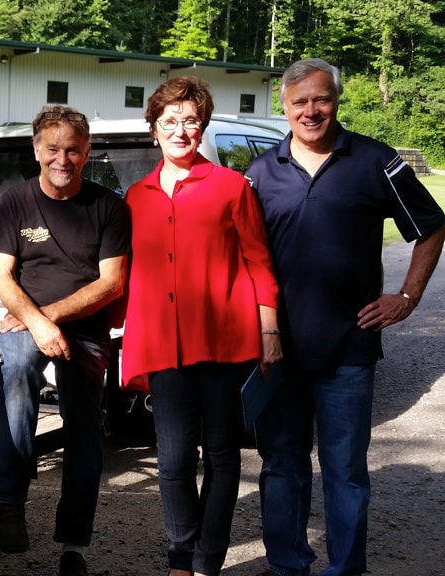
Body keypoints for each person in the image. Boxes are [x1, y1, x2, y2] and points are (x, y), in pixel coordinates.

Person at [245, 58, 445, 576]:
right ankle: (289, 565)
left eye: (321, 99)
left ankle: (345, 569)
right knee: (282, 466)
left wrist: (407, 296)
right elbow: (240, 255)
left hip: (350, 346)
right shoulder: (260, 172)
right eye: (299, 102)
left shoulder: (376, 160)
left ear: (336, 100)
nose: (311, 111)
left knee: (345, 471)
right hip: (278, 348)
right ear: (284, 107)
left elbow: (431, 227)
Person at [120, 76, 283, 576]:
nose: (180, 130)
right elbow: (122, 275)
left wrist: (270, 331)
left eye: (190, 121)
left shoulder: (232, 187)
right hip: (163, 347)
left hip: (223, 342)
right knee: (171, 461)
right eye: (169, 121)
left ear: (203, 126)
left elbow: (259, 262)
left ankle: (209, 560)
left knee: (222, 455)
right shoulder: (136, 196)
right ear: (154, 130)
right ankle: (179, 560)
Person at [0, 104, 131, 576]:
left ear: (87, 152)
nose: (61, 159)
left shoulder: (109, 207)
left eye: (72, 150)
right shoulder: (14, 201)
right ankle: (9, 502)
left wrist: (49, 319)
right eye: (52, 149)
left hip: (84, 331)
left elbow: (111, 284)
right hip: (25, 325)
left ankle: (74, 545)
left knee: (84, 426)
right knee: (20, 372)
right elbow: (3, 276)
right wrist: (37, 323)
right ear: (36, 149)